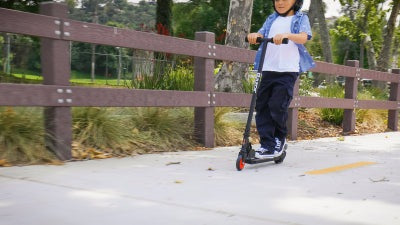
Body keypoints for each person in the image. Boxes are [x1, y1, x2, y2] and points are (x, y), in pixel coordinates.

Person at [247, 0, 315, 159]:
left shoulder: (300, 18)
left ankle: (279, 139)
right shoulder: (272, 19)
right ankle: (267, 146)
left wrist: (287, 35)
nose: (280, 2)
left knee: (277, 105)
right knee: (262, 106)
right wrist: (255, 35)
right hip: (268, 69)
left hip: (287, 70)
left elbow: (303, 38)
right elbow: (261, 33)